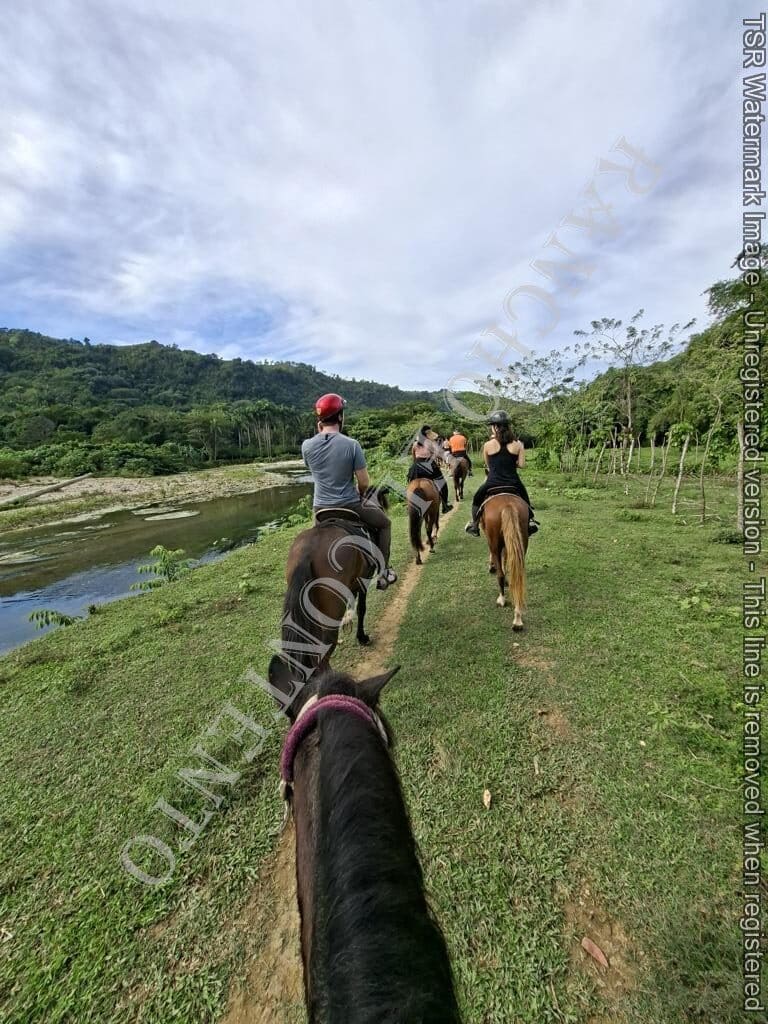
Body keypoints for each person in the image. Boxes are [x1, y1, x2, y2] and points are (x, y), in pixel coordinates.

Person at [302, 393, 397, 590]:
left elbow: (315, 471)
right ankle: (383, 572)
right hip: (349, 504)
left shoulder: (307, 446)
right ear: (340, 416)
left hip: (320, 508)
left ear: (320, 420)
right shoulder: (352, 445)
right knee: (385, 524)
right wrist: (360, 492)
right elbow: (364, 482)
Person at [464, 411, 539, 536]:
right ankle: (530, 522)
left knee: (477, 498)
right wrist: (511, 463)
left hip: (492, 483)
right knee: (525, 498)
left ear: (495, 427)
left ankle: (474, 524)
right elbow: (522, 465)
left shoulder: (487, 445)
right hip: (513, 483)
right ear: (508, 426)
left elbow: (489, 465)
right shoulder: (518, 445)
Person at [407, 425, 453, 513]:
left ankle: (409, 503)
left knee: (410, 481)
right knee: (442, 483)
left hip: (417, 466)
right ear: (428, 434)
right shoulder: (430, 443)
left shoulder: (415, 444)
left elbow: (414, 456)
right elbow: (437, 453)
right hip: (429, 465)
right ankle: (445, 505)